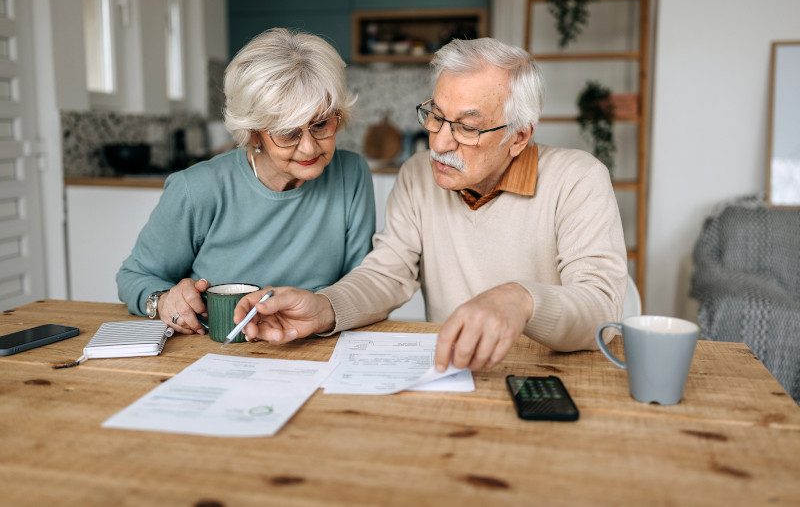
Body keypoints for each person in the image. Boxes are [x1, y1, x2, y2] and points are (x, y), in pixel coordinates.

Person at [234, 37, 627, 372]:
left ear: (519, 137)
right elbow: (387, 276)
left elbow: (601, 310)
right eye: (436, 116)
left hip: (553, 374)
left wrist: (520, 299)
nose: (438, 143)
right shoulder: (418, 176)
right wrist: (323, 307)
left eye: (468, 128)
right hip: (453, 371)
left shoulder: (578, 179)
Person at [116, 28, 375, 334]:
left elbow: (363, 285)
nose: (309, 147)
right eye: (288, 131)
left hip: (312, 346)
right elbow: (135, 276)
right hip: (214, 351)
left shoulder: (351, 174)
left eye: (321, 124)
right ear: (254, 133)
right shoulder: (197, 189)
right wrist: (162, 301)